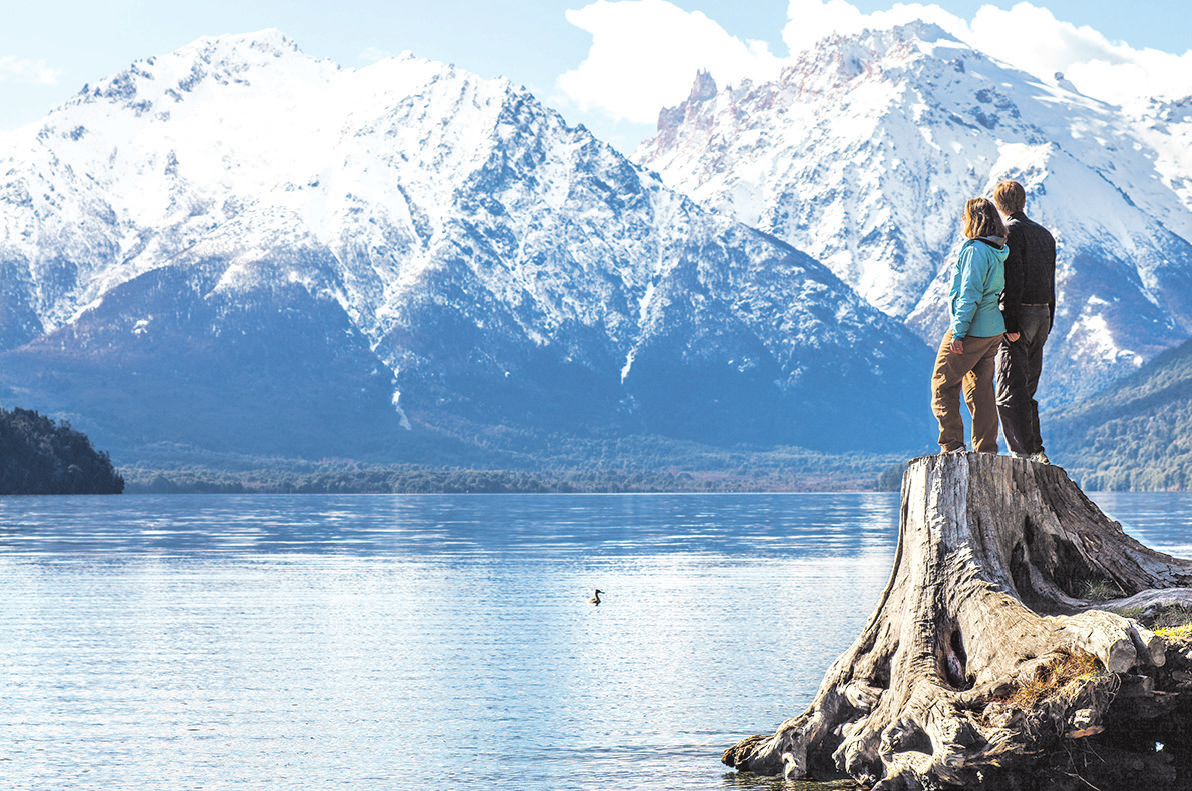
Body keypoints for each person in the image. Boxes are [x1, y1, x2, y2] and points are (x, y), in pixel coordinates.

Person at [930, 197, 1010, 454]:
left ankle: (952, 445)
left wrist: (959, 332)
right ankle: (985, 448)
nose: (962, 221)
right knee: (980, 389)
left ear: (974, 220)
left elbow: (969, 294)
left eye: (965, 216)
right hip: (992, 330)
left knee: (942, 383)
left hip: (971, 330)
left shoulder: (975, 250)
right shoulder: (998, 250)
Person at [992, 180, 1057, 464]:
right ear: (1024, 202)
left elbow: (1013, 277)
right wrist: (1049, 319)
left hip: (1020, 315)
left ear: (999, 205)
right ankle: (1036, 450)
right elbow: (1051, 282)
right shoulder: (1045, 235)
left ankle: (1023, 454)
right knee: (1027, 387)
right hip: (1043, 314)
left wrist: (1010, 322)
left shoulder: (1009, 233)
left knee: (1008, 389)